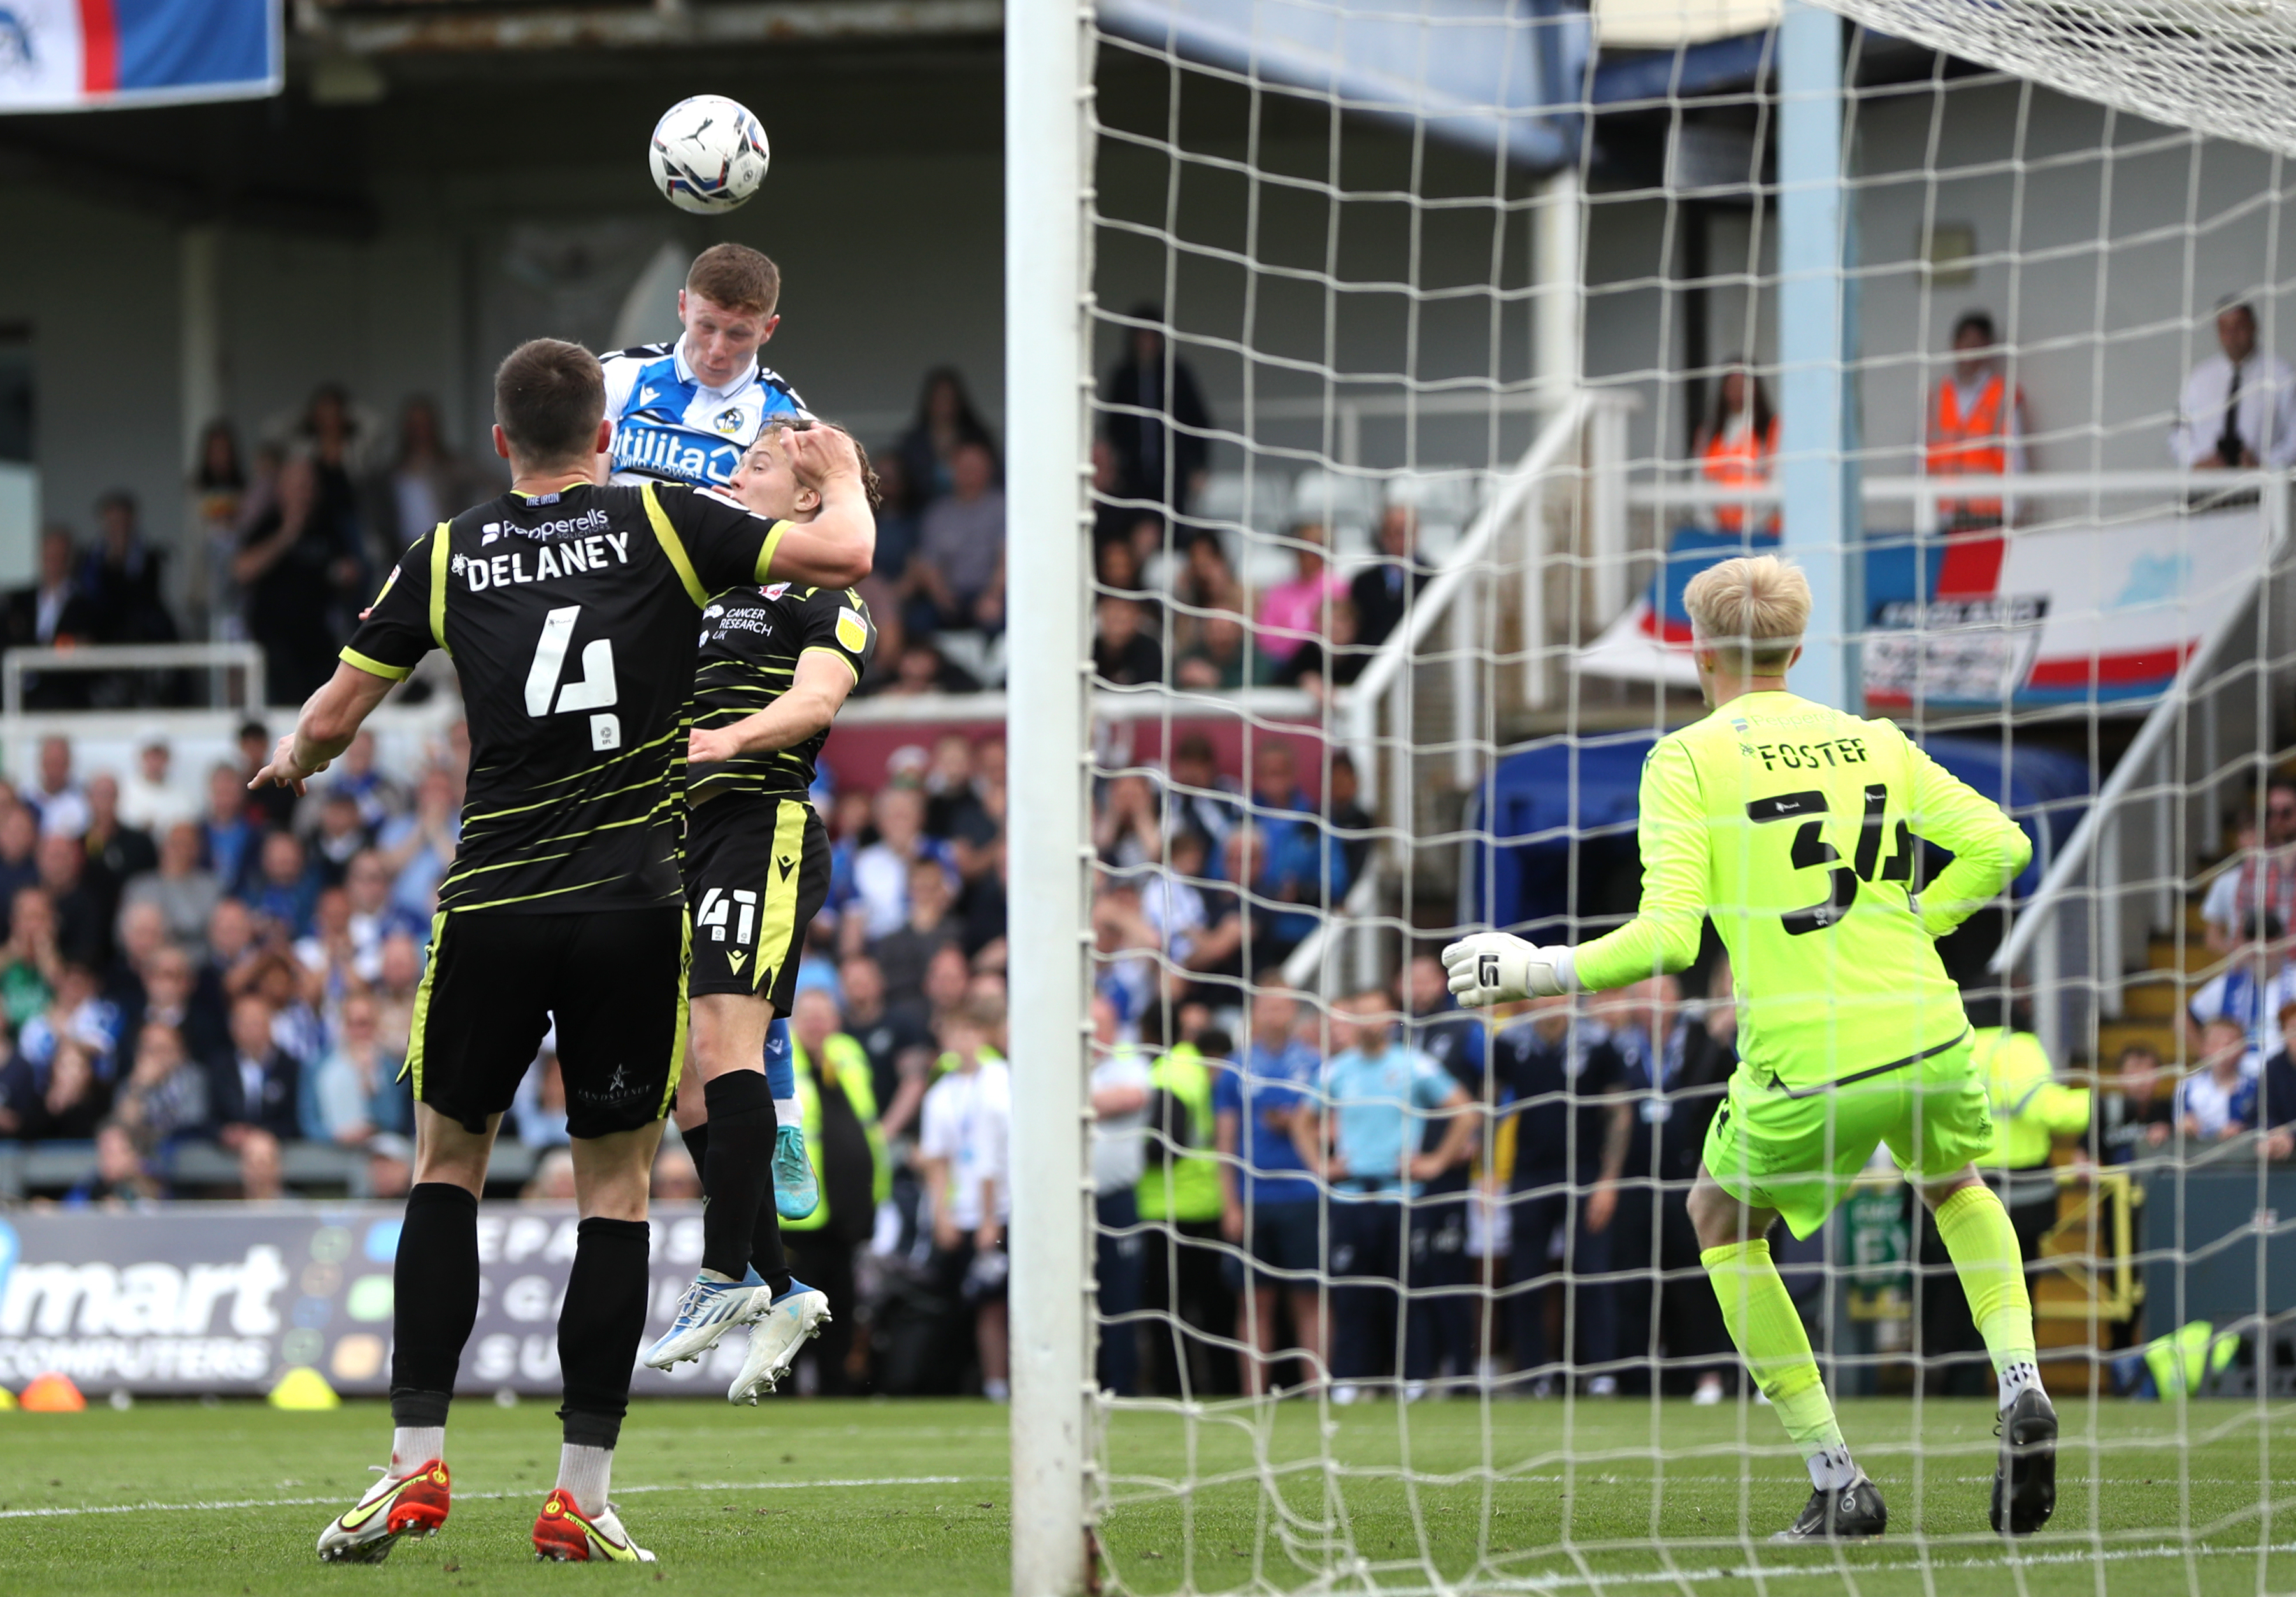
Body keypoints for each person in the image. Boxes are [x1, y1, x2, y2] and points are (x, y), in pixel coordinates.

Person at [274, 338, 869, 1566]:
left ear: (500, 443)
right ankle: (579, 1492)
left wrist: (294, 764)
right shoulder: (661, 519)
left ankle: (411, 1467)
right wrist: (845, 467)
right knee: (615, 1188)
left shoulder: (444, 550)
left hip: (492, 897)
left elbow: (334, 715)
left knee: (447, 1168)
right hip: (633, 907)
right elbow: (844, 555)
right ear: (609, 434)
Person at [1443, 552, 2051, 1541]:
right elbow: (2006, 846)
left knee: (1718, 1213)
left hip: (1810, 1051)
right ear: (1798, 649)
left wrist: (1537, 968)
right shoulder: (1874, 739)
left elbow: (1670, 940)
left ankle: (1838, 1477)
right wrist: (1915, 926)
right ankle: (2021, 1381)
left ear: (1697, 649)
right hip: (1930, 1025)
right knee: (1958, 1183)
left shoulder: (1687, 758)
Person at [648, 421, 880, 1402]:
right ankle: (781, 1283)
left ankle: (722, 1272)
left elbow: (816, 705)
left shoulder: (831, 597)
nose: (735, 472)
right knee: (685, 1085)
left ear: (806, 499)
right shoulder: (703, 585)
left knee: (723, 1044)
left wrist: (722, 741)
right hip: (678, 840)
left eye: (757, 463)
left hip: (761, 823)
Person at [1297, 986, 1477, 1396]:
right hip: (1350, 1195)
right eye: (1359, 1014)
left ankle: (1412, 1376)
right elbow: (1301, 1122)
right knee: (1351, 1295)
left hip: (1401, 1194)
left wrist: (1435, 1161)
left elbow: (1465, 1113)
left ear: (1390, 1019)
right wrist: (1320, 1165)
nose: (1368, 1023)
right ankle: (1347, 1380)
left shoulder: (1414, 1065)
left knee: (1406, 1291)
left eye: (1375, 1014)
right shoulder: (1336, 1070)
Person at [1491, 996, 1630, 1396]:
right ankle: (1533, 1374)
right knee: (1526, 1276)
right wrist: (1486, 1172)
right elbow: (1490, 1102)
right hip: (1529, 1173)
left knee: (1592, 1272)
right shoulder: (1510, 1041)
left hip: (1585, 1174)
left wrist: (1609, 1180)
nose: (1552, 1001)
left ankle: (1601, 1372)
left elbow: (1619, 1112)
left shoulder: (1599, 1041)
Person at [599, 244, 806, 492]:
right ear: (683, 307)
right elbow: (580, 499)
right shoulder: (616, 373)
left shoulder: (784, 416)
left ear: (768, 330)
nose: (717, 350)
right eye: (706, 327)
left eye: (738, 334)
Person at [775, 985, 890, 1395]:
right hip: (798, 1217)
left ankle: (835, 1387)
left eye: (825, 1016)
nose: (817, 1024)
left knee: (838, 1308)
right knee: (791, 1312)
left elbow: (865, 1126)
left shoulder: (847, 1058)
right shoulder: (779, 1059)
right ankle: (782, 1390)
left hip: (845, 1215)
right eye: (809, 1016)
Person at [1213, 982, 1324, 1397]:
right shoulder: (1236, 1066)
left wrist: (1299, 1125)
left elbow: (1335, 1125)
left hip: (1303, 1195)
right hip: (1253, 1197)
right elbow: (1224, 1139)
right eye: (1268, 1006)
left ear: (1294, 1010)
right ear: (1256, 1012)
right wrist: (1230, 1202)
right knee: (1254, 1300)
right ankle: (1255, 1393)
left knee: (1308, 1298)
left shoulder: (1315, 1064)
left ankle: (1316, 1389)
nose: (1276, 1013)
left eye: (1283, 1006)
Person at [917, 997, 1014, 1400]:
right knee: (979, 1305)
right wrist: (942, 1215)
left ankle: (1024, 1378)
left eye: (970, 1031)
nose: (963, 1040)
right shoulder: (941, 1094)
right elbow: (936, 1160)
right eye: (954, 1032)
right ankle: (992, 1384)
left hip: (1007, 1207)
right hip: (965, 1210)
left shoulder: (1000, 1080)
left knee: (1009, 1301)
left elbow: (996, 1152)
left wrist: (991, 1216)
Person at [1138, 1016, 1235, 1396]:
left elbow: (1164, 1143)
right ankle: (1222, 1387)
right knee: (1214, 1310)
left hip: (1165, 1206)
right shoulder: (1197, 1073)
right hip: (1206, 1203)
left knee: (1166, 1312)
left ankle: (1173, 1388)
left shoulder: (1168, 1073)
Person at [1088, 993, 1153, 1397]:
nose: (1097, 1034)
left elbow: (1133, 1096)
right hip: (1068, 1205)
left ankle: (1120, 1387)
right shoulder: (1064, 1064)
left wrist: (1074, 1102)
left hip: (1116, 1200)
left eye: (1103, 1024)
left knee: (1119, 1298)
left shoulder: (1131, 1062)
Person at [1100, 306, 1212, 518]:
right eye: (1140, 335)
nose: (1145, 342)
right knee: (1135, 523)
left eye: (1150, 336)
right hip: (1133, 472)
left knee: (1174, 525)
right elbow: (1114, 425)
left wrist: (1199, 466)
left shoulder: (1177, 374)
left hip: (1173, 469)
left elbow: (1199, 421)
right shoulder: (1124, 376)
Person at [1925, 310, 2030, 530]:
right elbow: (1921, 457)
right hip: (1946, 520)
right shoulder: (1936, 396)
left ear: (1988, 350)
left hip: (1992, 520)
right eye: (1966, 344)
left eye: (1977, 346)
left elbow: (2017, 461)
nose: (1970, 354)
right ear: (1955, 346)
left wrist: (2015, 514)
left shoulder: (2003, 397)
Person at [2171, 296, 2296, 473]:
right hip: (2208, 486)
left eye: (2239, 326)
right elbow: (2179, 433)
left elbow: (2294, 436)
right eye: (2225, 329)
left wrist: (2265, 463)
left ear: (2254, 326)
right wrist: (2197, 460)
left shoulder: (2281, 375)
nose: (2232, 335)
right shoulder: (2199, 379)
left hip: (2263, 486)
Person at [908, 440, 1005, 634]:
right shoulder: (938, 513)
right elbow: (929, 563)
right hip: (952, 595)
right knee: (917, 621)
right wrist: (943, 598)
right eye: (963, 466)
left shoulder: (1002, 506)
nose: (969, 472)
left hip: (993, 592)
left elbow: (1008, 556)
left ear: (989, 469)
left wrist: (994, 596)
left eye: (975, 466)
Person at [894, 366, 1000, 513]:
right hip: (921, 514)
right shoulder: (913, 442)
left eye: (949, 398)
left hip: (975, 510)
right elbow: (904, 484)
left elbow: (996, 477)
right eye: (939, 398)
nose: (944, 405)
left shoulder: (977, 437)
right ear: (929, 401)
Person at [1693, 360, 1779, 536]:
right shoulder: (1708, 432)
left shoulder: (1771, 429)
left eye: (1744, 384)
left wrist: (1754, 525)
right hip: (1717, 532)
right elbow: (1698, 481)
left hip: (1761, 531)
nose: (1738, 390)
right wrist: (1710, 526)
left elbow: (1777, 478)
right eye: (1732, 385)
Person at [1351, 504, 1431, 652]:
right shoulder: (1363, 584)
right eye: (1396, 532)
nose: (1403, 540)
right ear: (1384, 535)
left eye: (1408, 532)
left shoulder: (1432, 580)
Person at [2178, 1017, 2260, 1140]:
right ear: (2204, 1048)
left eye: (2230, 1043)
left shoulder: (2257, 1086)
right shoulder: (2187, 1086)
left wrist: (2244, 1129)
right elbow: (2180, 1122)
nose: (2222, 1050)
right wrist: (2186, 1126)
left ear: (2244, 1049)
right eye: (2215, 1043)